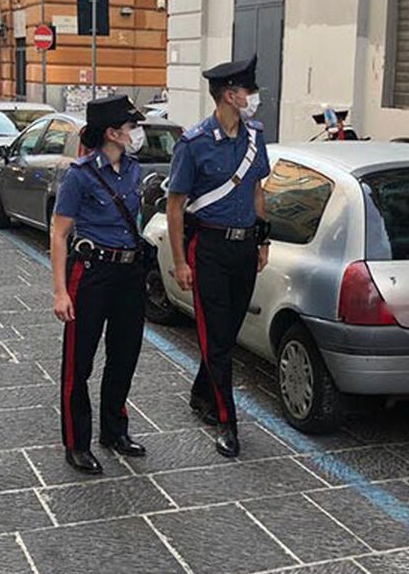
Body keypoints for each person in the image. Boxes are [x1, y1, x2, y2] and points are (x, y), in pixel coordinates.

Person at [166, 56, 271, 458]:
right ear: (230, 95)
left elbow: (257, 189)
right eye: (248, 90)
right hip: (208, 248)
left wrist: (263, 240)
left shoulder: (255, 136)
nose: (253, 97)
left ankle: (200, 394)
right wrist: (180, 261)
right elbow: (176, 206)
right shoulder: (194, 143)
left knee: (225, 334)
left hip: (244, 247)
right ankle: (227, 421)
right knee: (217, 338)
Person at [50, 94, 149, 475]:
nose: (135, 133)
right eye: (131, 127)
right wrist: (61, 291)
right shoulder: (80, 175)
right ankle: (76, 442)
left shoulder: (135, 170)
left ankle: (114, 430)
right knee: (80, 362)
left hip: (129, 273)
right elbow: (59, 234)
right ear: (112, 133)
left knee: (125, 355)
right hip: (91, 273)